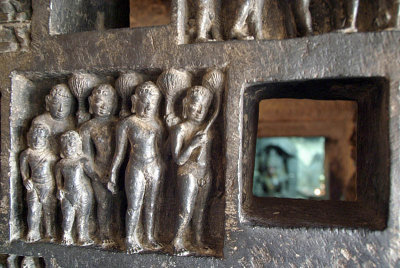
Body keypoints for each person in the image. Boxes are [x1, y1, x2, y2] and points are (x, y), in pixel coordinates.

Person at [108, 81, 164, 253]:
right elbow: (119, 153)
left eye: (151, 104)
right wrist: (112, 172)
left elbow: (161, 151)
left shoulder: (157, 125)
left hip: (154, 166)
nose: (147, 108)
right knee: (134, 204)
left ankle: (148, 236)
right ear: (134, 101)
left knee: (151, 204)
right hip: (136, 166)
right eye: (144, 102)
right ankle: (130, 238)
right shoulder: (127, 123)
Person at [170, 86, 215, 256]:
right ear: (186, 105)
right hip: (187, 170)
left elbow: (212, 155)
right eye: (195, 106)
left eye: (203, 107)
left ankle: (197, 239)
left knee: (201, 209)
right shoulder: (180, 129)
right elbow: (178, 159)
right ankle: (177, 239)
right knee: (186, 209)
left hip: (205, 172)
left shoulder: (209, 129)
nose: (199, 111)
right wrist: (192, 144)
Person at [79, 84, 119, 248]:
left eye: (107, 103)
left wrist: (115, 172)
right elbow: (85, 157)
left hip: (118, 171)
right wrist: (96, 175)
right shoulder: (87, 127)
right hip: (98, 170)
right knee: (103, 203)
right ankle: (103, 231)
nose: (103, 107)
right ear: (90, 102)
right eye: (99, 102)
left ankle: (119, 231)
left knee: (120, 202)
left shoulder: (118, 124)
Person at [55, 131, 97, 246]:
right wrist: (59, 188)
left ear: (78, 147)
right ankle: (66, 234)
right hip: (67, 193)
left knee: (82, 217)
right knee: (67, 217)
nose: (68, 148)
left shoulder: (82, 161)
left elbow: (92, 175)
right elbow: (58, 180)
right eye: (65, 146)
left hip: (82, 193)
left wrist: (104, 179)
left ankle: (82, 236)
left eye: (72, 145)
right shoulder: (60, 164)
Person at [20, 124, 57, 242]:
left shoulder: (50, 155)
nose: (36, 141)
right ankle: (33, 230)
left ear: (45, 139)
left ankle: (49, 231)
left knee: (48, 209)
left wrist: (56, 186)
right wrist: (25, 179)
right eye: (34, 137)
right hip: (33, 185)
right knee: (33, 209)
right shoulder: (27, 153)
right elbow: (23, 169)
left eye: (40, 138)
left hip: (48, 184)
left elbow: (56, 172)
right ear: (29, 138)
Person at [32, 83, 75, 155]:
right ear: (48, 102)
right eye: (56, 103)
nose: (61, 109)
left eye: (66, 105)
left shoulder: (72, 122)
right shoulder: (40, 121)